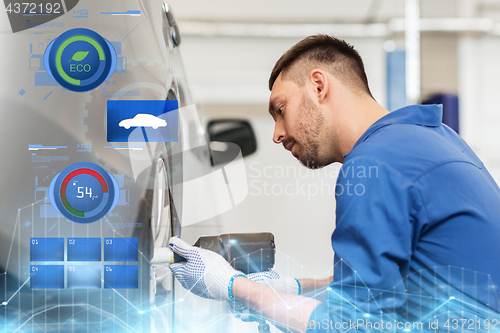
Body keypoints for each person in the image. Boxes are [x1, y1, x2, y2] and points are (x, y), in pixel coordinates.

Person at [168, 35, 500, 332]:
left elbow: (350, 326)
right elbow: (383, 289)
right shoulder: (429, 139)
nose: (276, 134)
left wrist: (233, 285)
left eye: (280, 110)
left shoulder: (376, 164)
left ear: (318, 86)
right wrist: (292, 288)